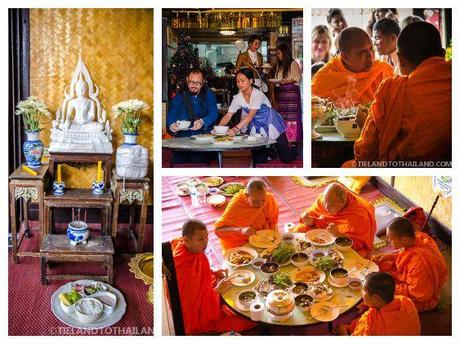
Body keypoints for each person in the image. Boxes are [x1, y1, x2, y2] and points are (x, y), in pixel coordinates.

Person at [354, 21, 451, 164]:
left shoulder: (390, 89)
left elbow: (365, 155)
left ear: (400, 60)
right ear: (442, 54)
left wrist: (364, 125)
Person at [171, 219, 256, 335]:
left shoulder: (191, 248)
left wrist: (213, 272)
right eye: (200, 239)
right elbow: (191, 308)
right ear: (186, 240)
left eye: (206, 237)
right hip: (197, 316)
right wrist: (217, 290)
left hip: (207, 293)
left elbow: (201, 271)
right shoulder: (183, 269)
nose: (205, 242)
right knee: (247, 320)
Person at [217, 69, 296, 163]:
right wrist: (218, 129)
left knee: (286, 157)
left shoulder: (257, 94)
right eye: (237, 81)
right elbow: (228, 115)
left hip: (271, 121)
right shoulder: (238, 98)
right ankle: (269, 151)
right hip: (257, 124)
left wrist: (234, 129)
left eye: (242, 81)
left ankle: (295, 146)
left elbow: (250, 116)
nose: (239, 84)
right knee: (259, 161)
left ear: (250, 81)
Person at [372, 217, 448, 311]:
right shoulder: (418, 236)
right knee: (382, 266)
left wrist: (389, 288)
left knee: (382, 298)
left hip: (420, 297)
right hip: (416, 276)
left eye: (390, 240)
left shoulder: (419, 263)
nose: (388, 243)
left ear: (404, 240)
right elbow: (404, 252)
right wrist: (389, 256)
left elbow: (419, 294)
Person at [312, 27, 394, 108]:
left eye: (371, 48)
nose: (370, 56)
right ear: (345, 57)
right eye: (362, 52)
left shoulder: (382, 71)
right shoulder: (324, 79)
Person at [294, 182, 376, 257]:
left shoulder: (359, 214)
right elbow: (311, 213)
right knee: (300, 229)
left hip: (342, 239)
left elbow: (359, 243)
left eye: (331, 205)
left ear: (342, 202)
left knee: (360, 254)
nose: (326, 207)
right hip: (323, 232)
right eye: (324, 202)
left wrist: (338, 234)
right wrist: (309, 221)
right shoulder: (325, 199)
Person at [335, 272, 421, 336]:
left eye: (364, 291)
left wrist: (342, 332)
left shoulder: (371, 323)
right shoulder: (406, 301)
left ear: (376, 298)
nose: (362, 293)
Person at [166, 69, 218, 164]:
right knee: (178, 160)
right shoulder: (180, 95)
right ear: (187, 80)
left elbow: (214, 113)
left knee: (198, 159)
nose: (194, 85)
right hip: (182, 137)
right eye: (191, 82)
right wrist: (172, 126)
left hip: (202, 136)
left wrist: (203, 121)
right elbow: (172, 115)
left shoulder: (209, 94)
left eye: (198, 83)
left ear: (203, 82)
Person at [215, 178, 279, 251]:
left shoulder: (268, 198)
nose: (260, 204)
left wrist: (272, 238)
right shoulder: (237, 204)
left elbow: (273, 221)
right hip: (240, 242)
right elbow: (218, 230)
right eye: (256, 201)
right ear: (246, 195)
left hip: (263, 238)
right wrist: (241, 230)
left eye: (263, 200)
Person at [274, 43, 302, 143]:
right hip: (282, 94)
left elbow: (297, 78)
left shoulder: (293, 63)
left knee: (291, 118)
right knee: (282, 117)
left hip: (291, 95)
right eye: (277, 54)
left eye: (279, 53)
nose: (278, 56)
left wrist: (286, 81)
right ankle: (284, 141)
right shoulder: (280, 66)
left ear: (284, 53)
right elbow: (277, 80)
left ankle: (291, 142)